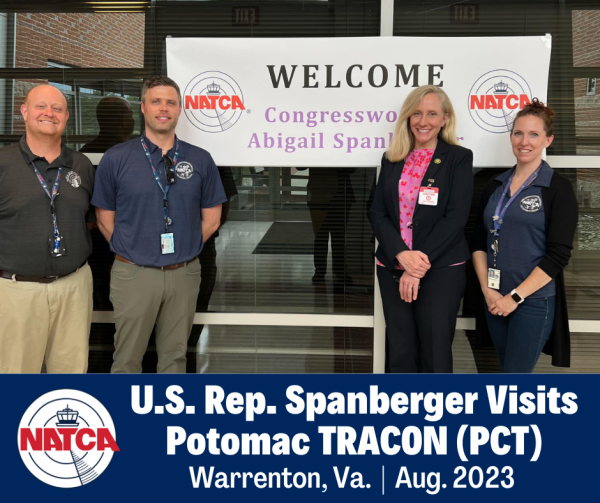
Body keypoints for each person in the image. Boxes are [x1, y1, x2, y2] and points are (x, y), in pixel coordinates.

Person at [92, 75, 227, 374]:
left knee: (175, 359)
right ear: (143, 107)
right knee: (127, 359)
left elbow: (212, 219)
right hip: (133, 273)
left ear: (179, 109)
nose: (163, 108)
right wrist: (136, 251)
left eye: (170, 102)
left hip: (184, 273)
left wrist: (184, 251)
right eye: (156, 101)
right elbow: (104, 220)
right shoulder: (116, 159)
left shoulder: (200, 159)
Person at [370, 85, 473, 373]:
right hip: (392, 266)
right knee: (400, 352)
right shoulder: (392, 157)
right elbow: (378, 212)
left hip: (441, 270)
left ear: (445, 119)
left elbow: (455, 217)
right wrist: (401, 255)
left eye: (431, 114)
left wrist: (416, 267)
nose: (423, 121)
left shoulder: (458, 158)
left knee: (435, 352)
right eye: (416, 113)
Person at [471, 99, 578, 373]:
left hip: (532, 301)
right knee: (506, 370)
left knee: (515, 377)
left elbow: (558, 255)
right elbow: (479, 241)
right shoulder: (495, 184)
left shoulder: (557, 188)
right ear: (511, 137)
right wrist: (487, 290)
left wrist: (514, 298)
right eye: (518, 133)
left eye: (534, 134)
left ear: (548, 140)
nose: (524, 141)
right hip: (494, 296)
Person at [0, 84, 95, 373]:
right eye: (41, 106)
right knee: (15, 378)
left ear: (66, 117)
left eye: (57, 109)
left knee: (70, 378)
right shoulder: (3, 163)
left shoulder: (81, 165)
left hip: (74, 287)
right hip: (16, 291)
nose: (49, 113)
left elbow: (89, 220)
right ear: (24, 112)